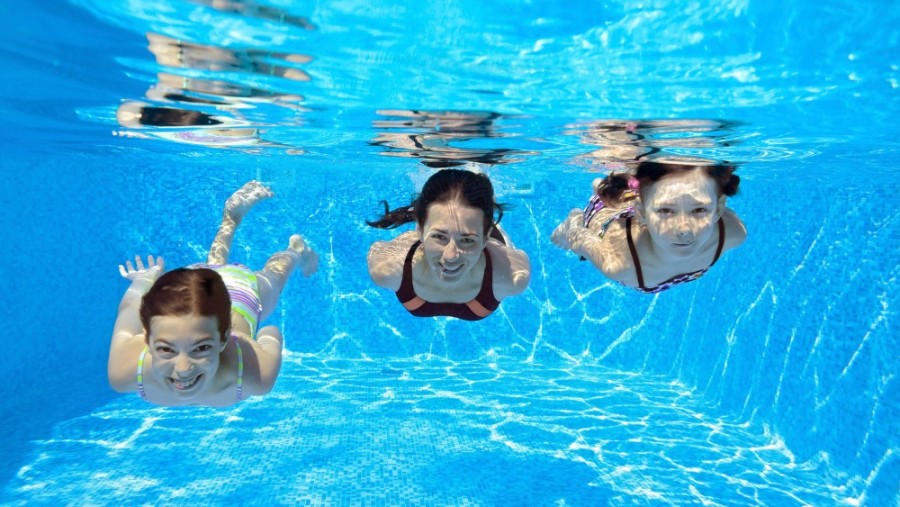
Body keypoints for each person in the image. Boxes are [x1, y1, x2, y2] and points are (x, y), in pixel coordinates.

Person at [108, 181, 318, 406]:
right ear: (147, 339)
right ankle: (231, 218)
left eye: (201, 348)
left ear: (224, 339)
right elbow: (131, 309)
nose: (183, 369)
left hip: (240, 295)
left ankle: (295, 251)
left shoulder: (254, 372)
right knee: (218, 274)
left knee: (274, 278)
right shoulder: (125, 368)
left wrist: (145, 280)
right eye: (166, 349)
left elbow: (270, 331)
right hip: (195, 284)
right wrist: (143, 279)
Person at [552, 157, 747, 293]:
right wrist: (572, 228)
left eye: (698, 210)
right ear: (642, 213)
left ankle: (625, 189)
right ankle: (595, 198)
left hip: (644, 207)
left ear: (718, 209)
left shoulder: (732, 232)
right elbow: (578, 239)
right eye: (666, 212)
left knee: (627, 192)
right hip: (605, 219)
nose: (684, 230)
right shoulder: (619, 262)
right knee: (603, 196)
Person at [366, 169, 531, 320]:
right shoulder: (388, 270)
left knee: (481, 208)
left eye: (467, 240)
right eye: (439, 236)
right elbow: (377, 248)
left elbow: (520, 257)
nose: (451, 256)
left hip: (486, 238)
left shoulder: (511, 277)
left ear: (485, 238)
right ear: (420, 231)